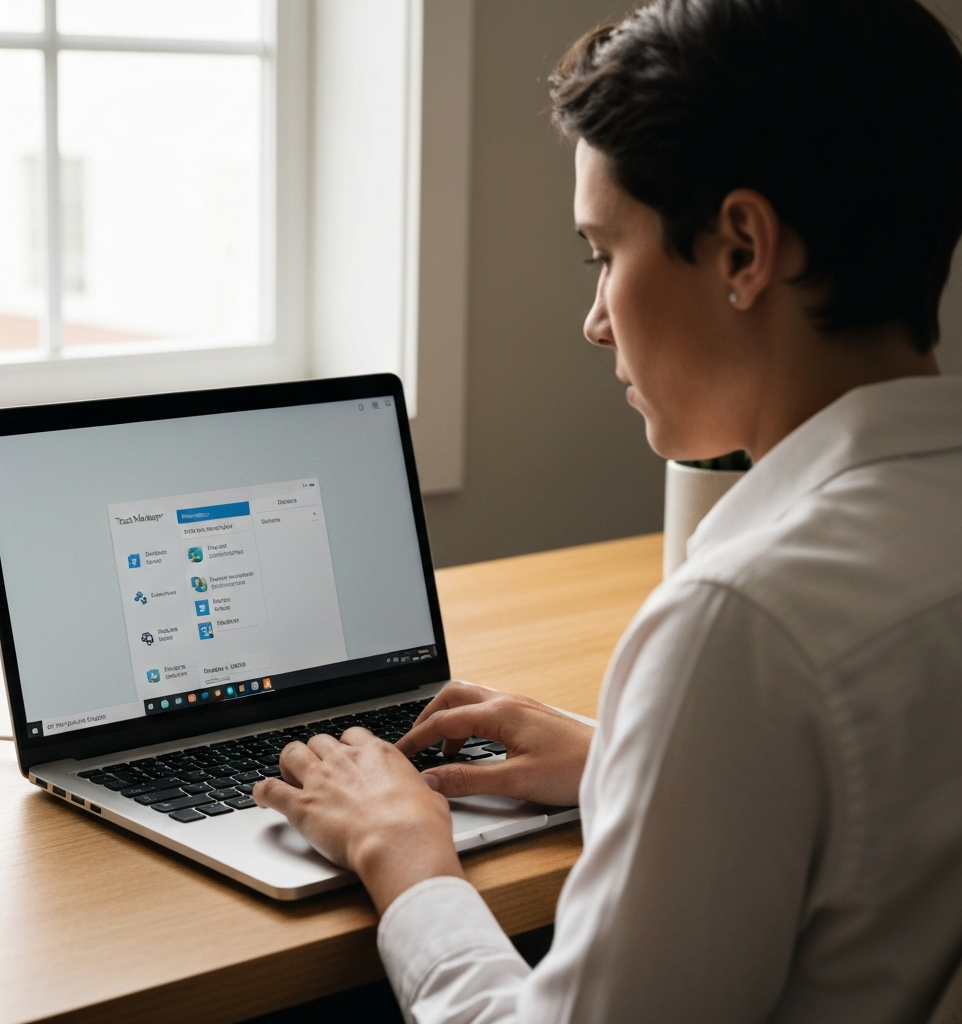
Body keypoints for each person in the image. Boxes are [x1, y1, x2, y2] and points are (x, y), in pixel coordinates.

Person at [254, 0, 962, 1019]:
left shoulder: (740, 623)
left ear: (741, 250)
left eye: (602, 251)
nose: (594, 322)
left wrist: (401, 853)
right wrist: (628, 765)